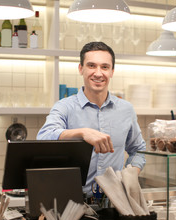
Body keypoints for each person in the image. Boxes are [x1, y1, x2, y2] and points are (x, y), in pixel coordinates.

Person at [37, 42, 146, 197]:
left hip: (115, 202)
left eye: (105, 67)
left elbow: (138, 150)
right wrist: (82, 133)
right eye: (92, 66)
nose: (98, 73)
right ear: (81, 69)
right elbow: (44, 137)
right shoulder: (64, 107)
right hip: (72, 202)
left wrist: (128, 176)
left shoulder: (126, 109)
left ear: (112, 71)